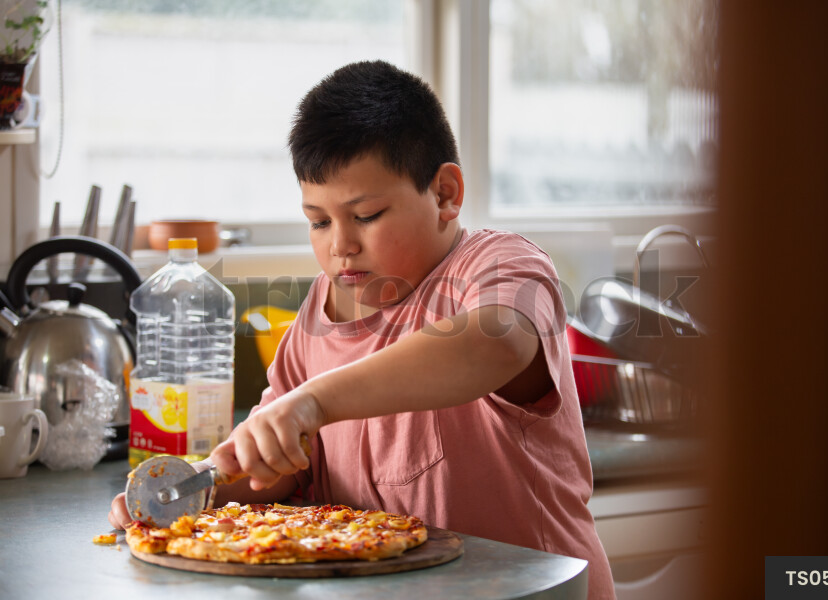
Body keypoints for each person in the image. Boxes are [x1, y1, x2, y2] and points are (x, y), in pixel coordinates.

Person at [109, 60, 614, 599]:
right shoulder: (318, 314)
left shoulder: (502, 264)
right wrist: (201, 482)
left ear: (445, 193)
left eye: (367, 215)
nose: (340, 244)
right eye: (319, 221)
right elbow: (279, 464)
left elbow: (495, 341)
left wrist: (313, 403)